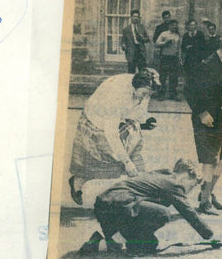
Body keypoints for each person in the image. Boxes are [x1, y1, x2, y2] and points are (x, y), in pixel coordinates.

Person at [79, 158, 222, 255]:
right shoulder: (175, 184)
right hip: (116, 205)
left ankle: (98, 242)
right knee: (163, 214)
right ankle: (114, 241)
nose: (189, 191)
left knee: (150, 244)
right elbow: (189, 213)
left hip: (108, 205)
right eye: (192, 186)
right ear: (186, 176)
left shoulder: (164, 174)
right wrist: (210, 237)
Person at [68, 69, 161, 205]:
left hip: (121, 118)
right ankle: (77, 182)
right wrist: (126, 162)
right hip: (98, 120)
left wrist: (145, 119)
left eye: (148, 94)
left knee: (134, 150)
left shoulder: (144, 87)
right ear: (135, 86)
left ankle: (142, 191)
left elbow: (140, 108)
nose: (144, 97)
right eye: (144, 94)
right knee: (99, 160)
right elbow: (111, 132)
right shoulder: (117, 94)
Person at [186, 32, 222, 215]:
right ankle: (204, 203)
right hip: (207, 120)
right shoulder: (206, 65)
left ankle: (208, 192)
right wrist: (201, 112)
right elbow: (189, 90)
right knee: (209, 161)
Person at [155, 19, 182, 100]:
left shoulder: (177, 35)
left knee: (174, 77)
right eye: (173, 25)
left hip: (174, 58)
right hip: (165, 58)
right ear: (169, 25)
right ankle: (161, 94)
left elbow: (179, 48)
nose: (174, 26)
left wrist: (179, 57)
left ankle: (173, 94)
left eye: (175, 25)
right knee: (163, 77)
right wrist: (165, 42)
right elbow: (156, 43)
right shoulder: (164, 34)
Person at [181, 19, 206, 95]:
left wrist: (202, 58)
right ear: (188, 26)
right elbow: (183, 46)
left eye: (194, 25)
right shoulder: (186, 35)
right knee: (189, 75)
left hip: (198, 58)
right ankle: (189, 92)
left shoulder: (200, 34)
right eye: (191, 25)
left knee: (197, 75)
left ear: (196, 26)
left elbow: (203, 46)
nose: (193, 26)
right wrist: (186, 47)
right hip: (189, 58)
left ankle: (197, 92)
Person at [121, 9, 151, 74]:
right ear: (131, 17)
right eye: (134, 16)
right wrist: (123, 46)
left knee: (142, 71)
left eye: (137, 17)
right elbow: (123, 41)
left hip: (140, 52)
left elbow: (148, 39)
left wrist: (142, 38)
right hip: (131, 52)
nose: (135, 18)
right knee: (131, 71)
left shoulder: (142, 27)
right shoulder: (126, 29)